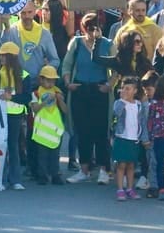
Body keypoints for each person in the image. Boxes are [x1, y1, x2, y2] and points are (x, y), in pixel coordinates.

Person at [63, 14, 113, 185]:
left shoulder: (107, 44)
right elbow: (67, 65)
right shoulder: (76, 43)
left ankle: (104, 170)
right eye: (89, 28)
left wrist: (110, 85)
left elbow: (116, 67)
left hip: (100, 90)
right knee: (82, 131)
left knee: (101, 132)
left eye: (96, 27)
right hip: (81, 90)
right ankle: (84, 169)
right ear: (84, 29)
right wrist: (68, 83)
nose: (93, 32)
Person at [29, 66, 67, 185]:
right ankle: (42, 176)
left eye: (53, 80)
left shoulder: (57, 91)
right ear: (41, 80)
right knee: (42, 155)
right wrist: (45, 101)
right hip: (41, 130)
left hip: (55, 130)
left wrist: (60, 100)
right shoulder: (35, 93)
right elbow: (34, 109)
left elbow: (65, 111)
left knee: (55, 155)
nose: (51, 83)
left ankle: (55, 175)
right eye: (48, 80)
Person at [111, 77, 147, 201]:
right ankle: (120, 189)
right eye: (123, 88)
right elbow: (116, 113)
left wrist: (143, 137)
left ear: (135, 91)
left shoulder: (138, 105)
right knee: (121, 165)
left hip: (134, 139)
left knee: (131, 165)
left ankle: (130, 188)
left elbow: (141, 122)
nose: (125, 91)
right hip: (122, 138)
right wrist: (123, 101)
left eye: (128, 89)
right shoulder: (119, 103)